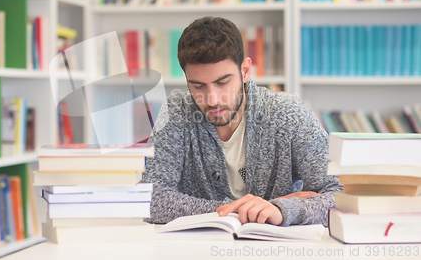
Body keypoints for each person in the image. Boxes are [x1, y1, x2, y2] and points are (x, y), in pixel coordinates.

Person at [140, 16, 341, 226]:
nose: (212, 99)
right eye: (198, 86)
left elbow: (341, 194)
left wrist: (284, 211)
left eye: (222, 82)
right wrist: (254, 208)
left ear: (245, 71)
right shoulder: (176, 114)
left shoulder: (288, 115)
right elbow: (150, 199)